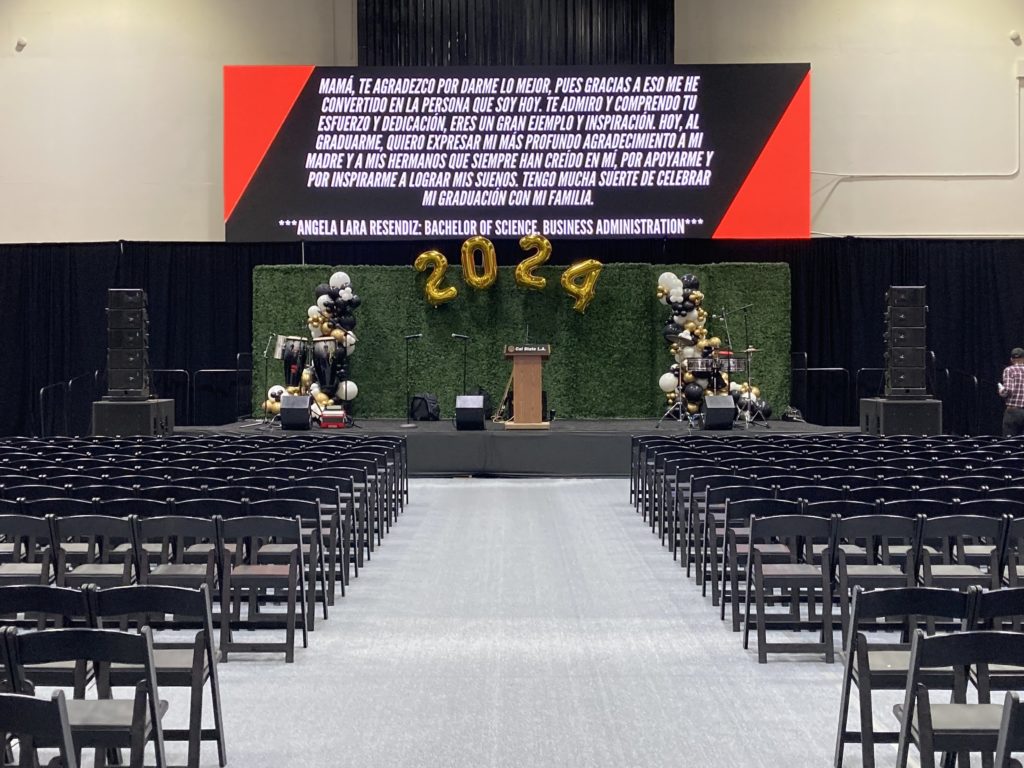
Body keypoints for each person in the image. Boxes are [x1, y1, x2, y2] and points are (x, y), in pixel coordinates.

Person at [999, 347, 1024, 436]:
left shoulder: (1009, 370)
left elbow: (1009, 390)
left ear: (1011, 359)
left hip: (1013, 411)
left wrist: (1001, 390)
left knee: (1009, 442)